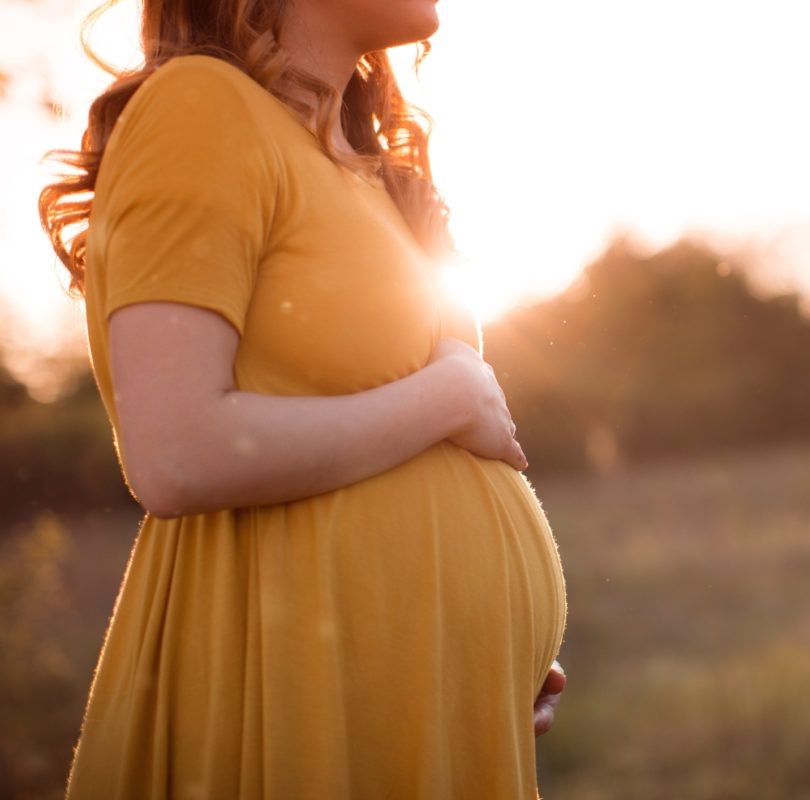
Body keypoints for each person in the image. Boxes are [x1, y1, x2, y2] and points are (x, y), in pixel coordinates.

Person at [38, 0, 569, 796]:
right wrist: (449, 395)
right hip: (290, 693)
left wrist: (472, 651)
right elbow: (177, 453)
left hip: (411, 697)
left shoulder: (361, 167)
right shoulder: (200, 107)